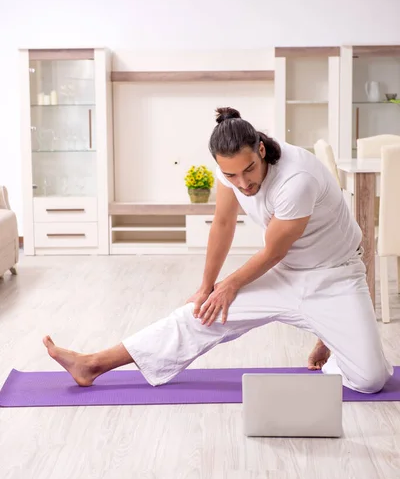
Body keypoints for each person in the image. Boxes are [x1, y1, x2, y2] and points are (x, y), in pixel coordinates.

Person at [43, 107, 393, 393]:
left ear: (260, 149)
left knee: (371, 379)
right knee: (204, 312)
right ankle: (92, 364)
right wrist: (206, 287)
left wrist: (230, 285)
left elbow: (274, 251)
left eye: (249, 171)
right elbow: (223, 224)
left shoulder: (296, 179)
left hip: (335, 275)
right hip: (286, 275)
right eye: (232, 176)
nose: (243, 183)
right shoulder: (230, 172)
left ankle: (335, 341)